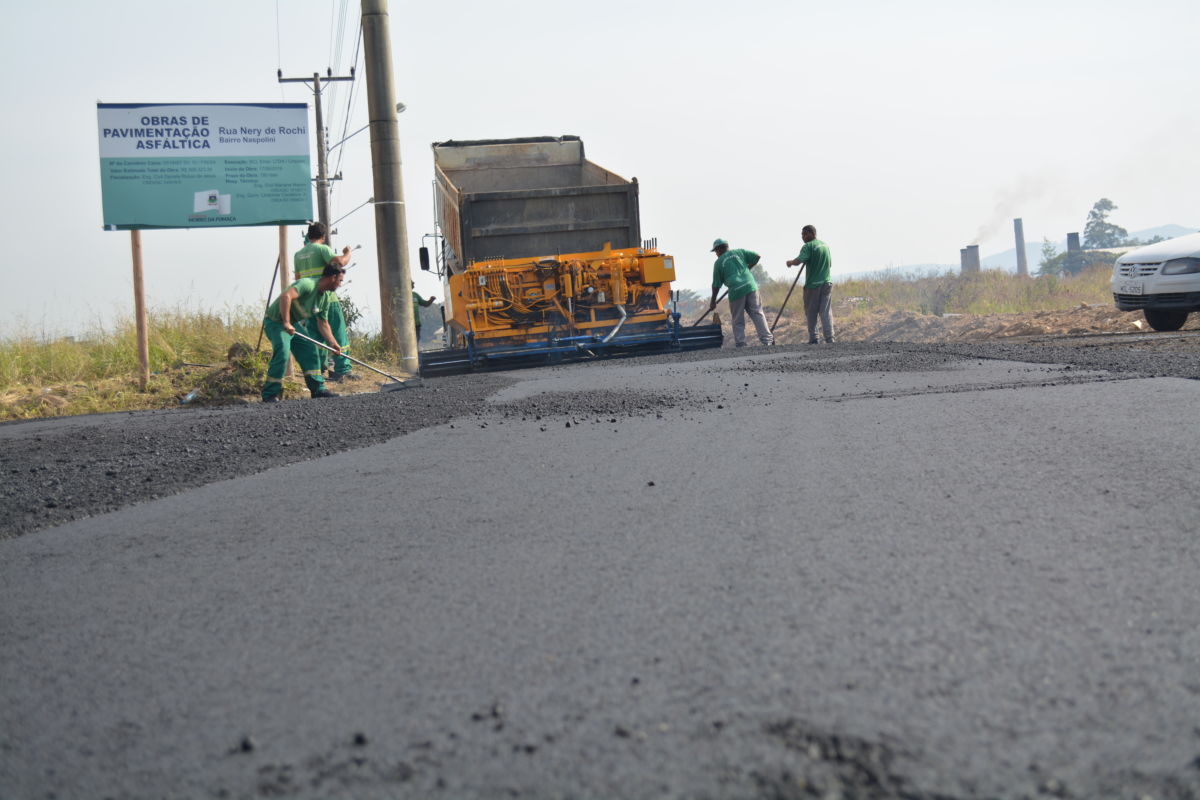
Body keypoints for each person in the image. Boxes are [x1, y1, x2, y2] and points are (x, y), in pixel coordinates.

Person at [261, 264, 346, 403]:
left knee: (310, 350)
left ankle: (318, 389)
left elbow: (323, 323)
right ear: (333, 277)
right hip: (276, 321)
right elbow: (286, 296)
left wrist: (333, 343)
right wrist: (286, 322)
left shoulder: (324, 297)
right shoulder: (307, 284)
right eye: (340, 280)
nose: (340, 284)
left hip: (293, 324)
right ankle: (270, 393)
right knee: (283, 351)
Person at [294, 222, 356, 382]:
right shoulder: (322, 249)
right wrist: (348, 252)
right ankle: (343, 370)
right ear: (323, 236)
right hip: (328, 298)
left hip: (308, 299)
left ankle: (319, 369)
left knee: (316, 337)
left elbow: (298, 279)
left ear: (308, 236)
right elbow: (340, 262)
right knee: (338, 333)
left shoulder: (298, 255)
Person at [709, 238, 774, 347]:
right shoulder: (739, 252)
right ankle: (768, 341)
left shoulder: (719, 263)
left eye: (716, 251)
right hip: (750, 285)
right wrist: (747, 269)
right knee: (757, 313)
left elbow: (716, 285)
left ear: (719, 249)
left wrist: (713, 301)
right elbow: (757, 256)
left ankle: (741, 342)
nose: (716, 253)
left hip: (736, 290)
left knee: (737, 317)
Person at [786, 225, 834, 344]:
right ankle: (830, 338)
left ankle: (814, 338)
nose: (803, 237)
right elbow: (830, 264)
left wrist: (790, 262)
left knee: (811, 312)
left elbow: (799, 261)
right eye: (802, 235)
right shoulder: (825, 246)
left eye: (805, 234)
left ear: (812, 234)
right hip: (827, 283)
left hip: (813, 286)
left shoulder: (808, 246)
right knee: (825, 312)